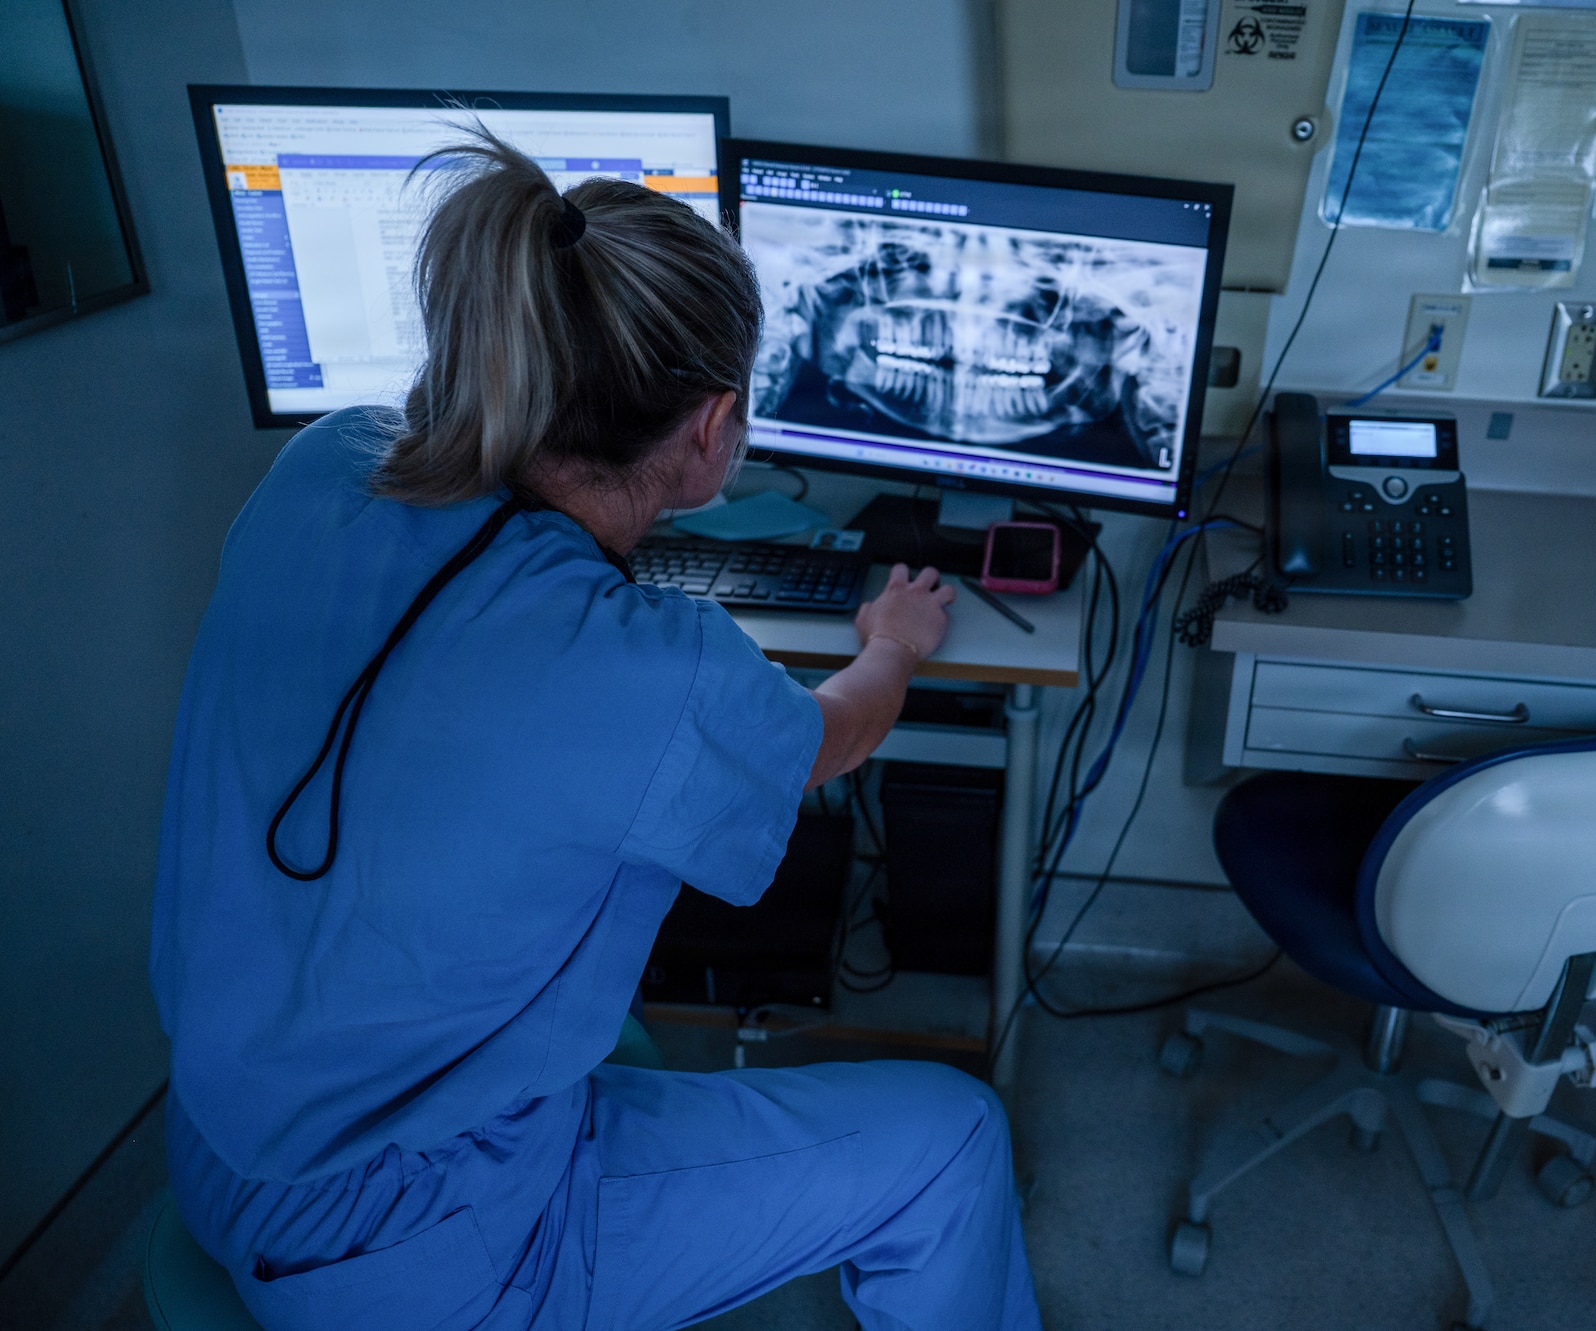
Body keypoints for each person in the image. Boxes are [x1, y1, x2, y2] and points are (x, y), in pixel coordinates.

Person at [150, 129, 1043, 1331]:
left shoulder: (322, 468)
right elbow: (830, 738)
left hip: (219, 1142)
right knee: (952, 1135)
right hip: (409, 1244)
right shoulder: (655, 668)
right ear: (714, 424)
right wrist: (890, 641)